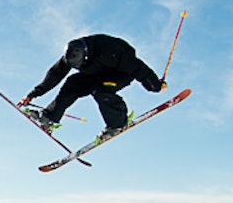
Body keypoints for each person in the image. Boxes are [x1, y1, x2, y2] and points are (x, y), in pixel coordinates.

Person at [19, 34, 165, 140]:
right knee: (73, 83)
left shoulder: (109, 51)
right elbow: (55, 74)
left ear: (86, 56)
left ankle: (117, 124)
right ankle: (49, 118)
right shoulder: (71, 55)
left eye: (80, 65)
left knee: (100, 90)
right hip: (94, 73)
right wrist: (33, 94)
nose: (78, 67)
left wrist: (155, 85)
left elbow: (138, 68)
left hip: (119, 73)